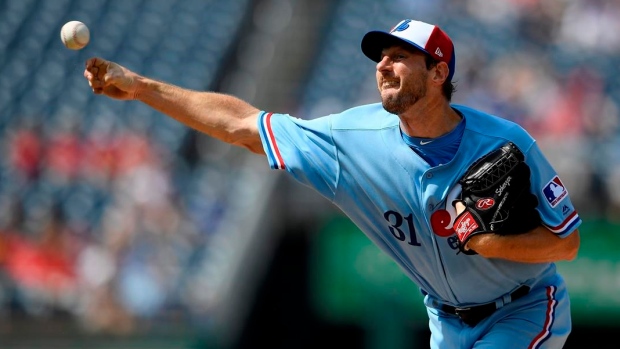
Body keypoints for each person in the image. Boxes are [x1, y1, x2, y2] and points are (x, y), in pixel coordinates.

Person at [83, 18, 581, 349]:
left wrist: (492, 241)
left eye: (400, 56)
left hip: (525, 307)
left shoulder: (504, 144)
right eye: (380, 56)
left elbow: (569, 241)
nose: (383, 64)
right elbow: (242, 125)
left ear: (438, 72)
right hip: (446, 321)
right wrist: (145, 88)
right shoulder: (352, 138)